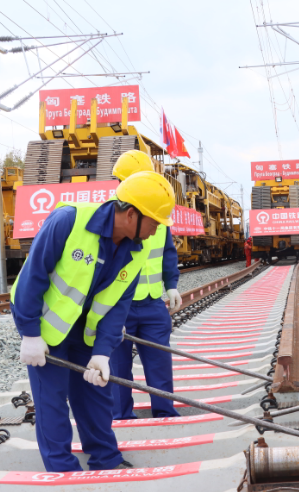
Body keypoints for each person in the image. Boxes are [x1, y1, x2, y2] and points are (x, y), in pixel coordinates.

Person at [10, 170, 175, 472]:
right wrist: (29, 333)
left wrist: (102, 352)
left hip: (87, 335)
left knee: (96, 398)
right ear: (131, 215)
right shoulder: (69, 222)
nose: (157, 230)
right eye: (154, 221)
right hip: (48, 332)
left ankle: (106, 460)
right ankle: (63, 470)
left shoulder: (136, 250)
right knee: (53, 402)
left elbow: (117, 307)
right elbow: (31, 278)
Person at [108, 151, 183, 421]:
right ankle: (121, 416)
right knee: (117, 365)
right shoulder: (110, 213)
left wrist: (171, 284)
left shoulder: (156, 208)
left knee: (159, 361)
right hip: (119, 305)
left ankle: (165, 412)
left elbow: (167, 251)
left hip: (152, 302)